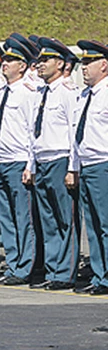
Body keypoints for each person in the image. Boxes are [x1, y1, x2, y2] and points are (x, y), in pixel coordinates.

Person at [26, 38, 80, 290]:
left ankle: (65, 272)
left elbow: (73, 132)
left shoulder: (68, 92)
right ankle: (52, 270)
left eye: (46, 60)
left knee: (64, 219)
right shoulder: (40, 93)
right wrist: (31, 165)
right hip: (42, 159)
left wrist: (72, 167)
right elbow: (31, 133)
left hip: (60, 159)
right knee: (47, 220)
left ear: (60, 64)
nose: (40, 64)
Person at [0, 37, 40, 286]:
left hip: (19, 161)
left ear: (23, 66)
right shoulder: (0, 93)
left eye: (11, 60)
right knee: (6, 219)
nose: (5, 64)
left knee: (23, 218)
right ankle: (12, 262)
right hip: (1, 160)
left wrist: (31, 164)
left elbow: (33, 131)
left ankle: (24, 267)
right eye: (5, 59)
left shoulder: (29, 93)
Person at [71, 40, 108, 295]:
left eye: (88, 62)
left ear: (104, 65)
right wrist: (74, 167)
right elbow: (76, 135)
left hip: (104, 164)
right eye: (82, 63)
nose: (83, 68)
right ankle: (99, 275)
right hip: (86, 165)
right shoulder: (84, 94)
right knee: (93, 227)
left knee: (106, 224)